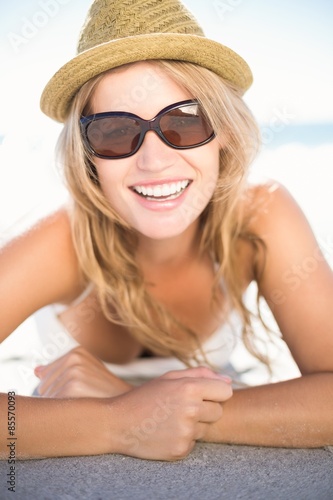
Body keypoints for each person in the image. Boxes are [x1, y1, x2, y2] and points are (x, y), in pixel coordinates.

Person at [0, 0, 332, 461]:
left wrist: (142, 409)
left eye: (185, 121)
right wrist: (118, 422)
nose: (153, 161)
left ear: (226, 132)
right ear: (88, 155)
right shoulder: (63, 240)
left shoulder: (262, 214)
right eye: (115, 131)